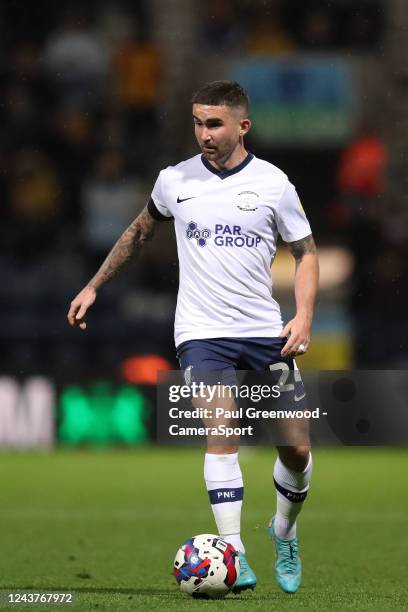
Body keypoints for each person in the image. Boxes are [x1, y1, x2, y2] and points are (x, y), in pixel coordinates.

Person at [67, 80, 319, 594]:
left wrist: (304, 316)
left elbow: (306, 252)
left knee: (295, 449)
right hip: (201, 332)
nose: (204, 134)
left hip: (264, 332)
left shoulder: (274, 184)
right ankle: (236, 554)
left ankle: (284, 530)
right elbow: (140, 230)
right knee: (220, 432)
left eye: (215, 124)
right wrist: (94, 285)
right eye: (198, 123)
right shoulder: (174, 180)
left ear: (242, 125)